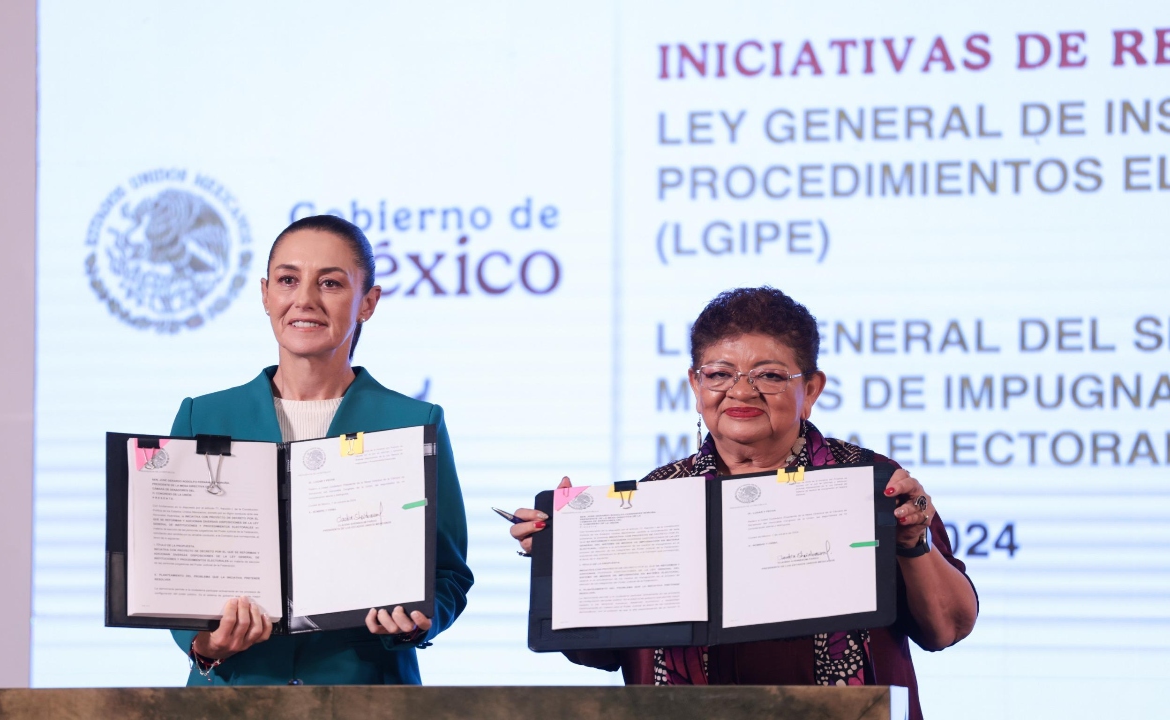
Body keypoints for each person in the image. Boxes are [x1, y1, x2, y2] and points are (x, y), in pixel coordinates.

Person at [510, 286, 976, 720]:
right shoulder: (654, 497)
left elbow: (947, 627)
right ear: (695, 386)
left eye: (769, 375)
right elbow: (602, 652)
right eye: (719, 374)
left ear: (810, 389)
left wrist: (912, 541)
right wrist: (563, 558)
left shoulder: (868, 481)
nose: (741, 390)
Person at [168, 214, 473, 685]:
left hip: (367, 697)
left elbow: (449, 576)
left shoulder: (414, 423)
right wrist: (205, 643)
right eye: (289, 280)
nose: (304, 300)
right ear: (266, 294)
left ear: (368, 302)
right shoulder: (202, 417)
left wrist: (418, 619)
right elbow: (176, 569)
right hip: (234, 697)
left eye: (330, 283)